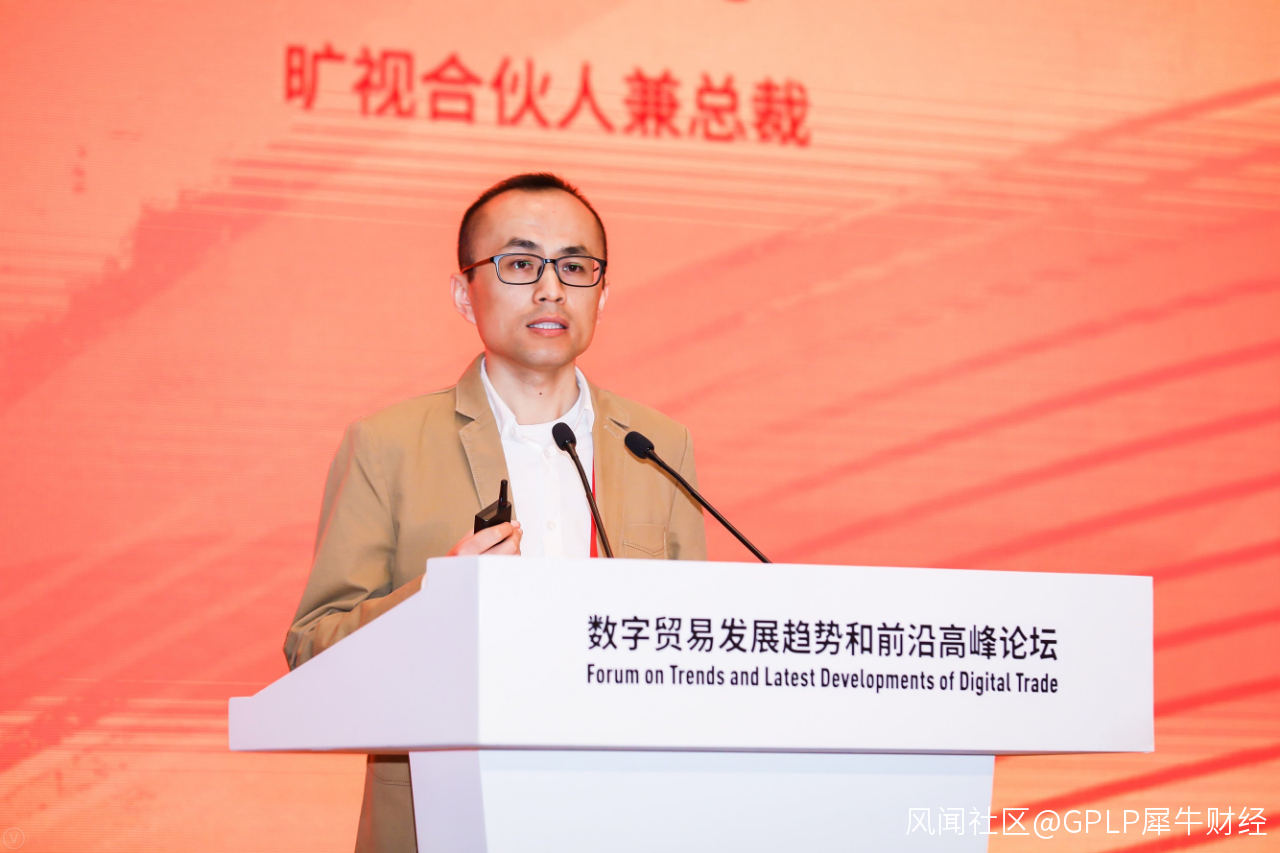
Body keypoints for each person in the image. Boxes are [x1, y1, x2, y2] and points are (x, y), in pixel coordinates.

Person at [283, 173, 708, 852]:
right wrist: (437, 597)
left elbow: (693, 648)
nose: (551, 289)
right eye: (519, 264)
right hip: (446, 817)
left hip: (622, 815)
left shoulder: (656, 446)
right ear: (464, 293)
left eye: (575, 266)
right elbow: (312, 652)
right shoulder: (387, 445)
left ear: (603, 293)